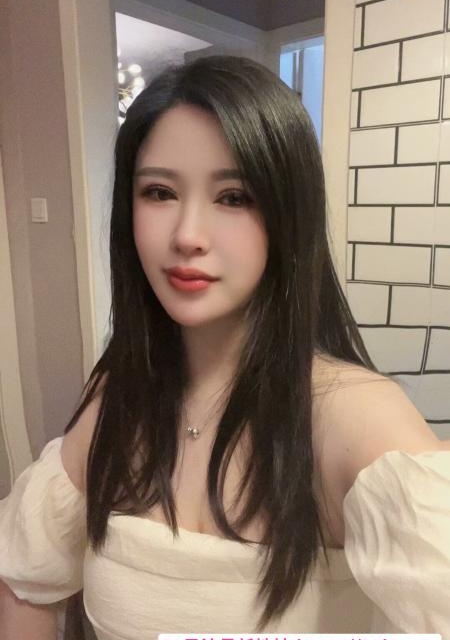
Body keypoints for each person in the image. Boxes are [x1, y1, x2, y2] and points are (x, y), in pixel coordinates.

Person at [0, 56, 449, 640]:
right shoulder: (117, 396)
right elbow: (24, 577)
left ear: (288, 216)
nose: (187, 235)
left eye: (234, 197)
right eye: (159, 192)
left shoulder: (353, 415)